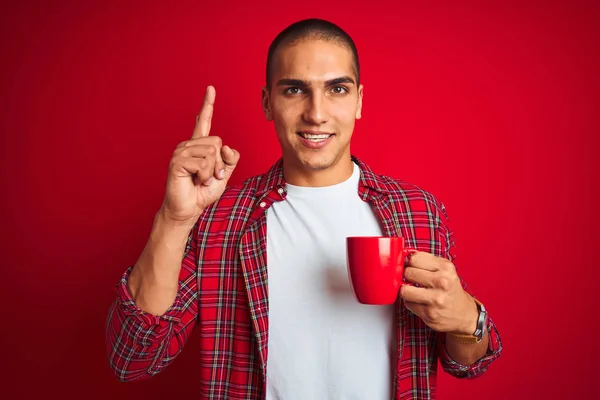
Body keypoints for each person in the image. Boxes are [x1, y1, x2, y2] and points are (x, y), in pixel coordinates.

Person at [105, 18, 502, 400]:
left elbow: (466, 362)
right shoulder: (220, 220)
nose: (316, 113)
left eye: (337, 90)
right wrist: (174, 220)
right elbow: (134, 358)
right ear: (267, 102)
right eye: (295, 90)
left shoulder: (419, 212)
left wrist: (469, 319)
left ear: (360, 101)